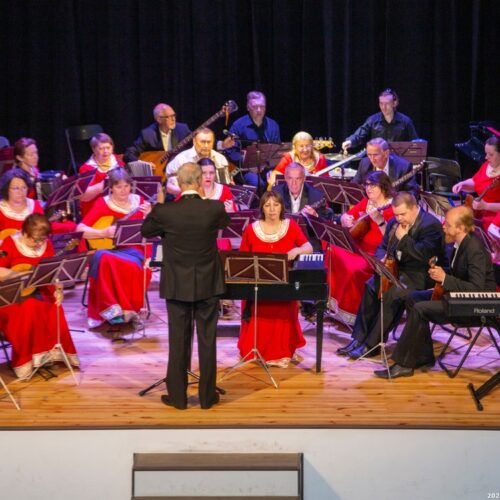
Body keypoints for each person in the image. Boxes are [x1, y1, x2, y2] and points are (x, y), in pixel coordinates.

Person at [141, 162, 230, 410]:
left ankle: (178, 398)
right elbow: (225, 222)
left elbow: (146, 230)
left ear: (179, 183)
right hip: (208, 283)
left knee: (178, 341)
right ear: (200, 181)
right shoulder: (214, 207)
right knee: (207, 341)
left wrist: (158, 206)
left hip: (177, 284)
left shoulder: (165, 212)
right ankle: (207, 397)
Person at [374, 206, 497, 378]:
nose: (443, 227)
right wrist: (441, 277)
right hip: (459, 297)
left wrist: (445, 279)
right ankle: (423, 357)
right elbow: (460, 276)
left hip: (477, 306)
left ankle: (404, 364)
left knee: (420, 309)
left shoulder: (474, 249)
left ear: (460, 228)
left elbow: (476, 290)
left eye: (448, 224)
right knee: (411, 298)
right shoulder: (458, 243)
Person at [337, 192, 444, 359]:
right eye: (396, 214)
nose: (399, 218)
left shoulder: (431, 225)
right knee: (371, 286)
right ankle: (359, 339)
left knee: (392, 295)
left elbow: (424, 256)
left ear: (414, 208)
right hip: (397, 269)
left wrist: (405, 239)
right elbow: (383, 245)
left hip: (420, 274)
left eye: (403, 214)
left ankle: (373, 344)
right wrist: (382, 258)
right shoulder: (394, 222)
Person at [238, 191, 313, 368]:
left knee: (282, 313)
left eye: (276, 205)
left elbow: (308, 247)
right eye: (267, 205)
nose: (272, 209)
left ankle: (281, 351)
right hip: (259, 284)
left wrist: (296, 250)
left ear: (281, 207)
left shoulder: (291, 225)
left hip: (283, 284)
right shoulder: (251, 229)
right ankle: (258, 350)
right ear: (262, 208)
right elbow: (242, 258)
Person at [0, 214, 80, 379]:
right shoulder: (10, 243)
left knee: (54, 307)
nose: (38, 244)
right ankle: (26, 359)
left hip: (38, 288)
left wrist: (59, 289)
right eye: (35, 240)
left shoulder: (46, 244)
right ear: (24, 232)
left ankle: (47, 356)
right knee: (30, 307)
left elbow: (53, 270)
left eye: (42, 239)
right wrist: (18, 275)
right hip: (12, 293)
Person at [76, 168, 152, 329]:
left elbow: (153, 230)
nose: (123, 190)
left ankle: (128, 310)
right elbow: (79, 229)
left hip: (135, 252)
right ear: (110, 187)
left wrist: (149, 215)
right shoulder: (102, 203)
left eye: (126, 186)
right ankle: (112, 312)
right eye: (118, 187)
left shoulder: (139, 202)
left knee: (113, 261)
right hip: (110, 250)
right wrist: (102, 233)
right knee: (103, 257)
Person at [329, 171, 395, 325]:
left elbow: (392, 239)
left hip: (378, 252)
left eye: (373, 185)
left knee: (353, 268)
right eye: (367, 185)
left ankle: (353, 312)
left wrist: (379, 221)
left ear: (383, 187)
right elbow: (347, 215)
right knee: (332, 248)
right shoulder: (367, 201)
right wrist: (345, 218)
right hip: (359, 245)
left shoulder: (392, 207)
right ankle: (335, 304)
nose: (368, 189)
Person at [222, 91, 281, 187]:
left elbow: (277, 152)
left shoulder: (273, 125)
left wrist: (272, 170)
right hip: (243, 169)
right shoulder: (238, 125)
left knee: (279, 181)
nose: (259, 110)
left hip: (266, 168)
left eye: (262, 106)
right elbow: (231, 152)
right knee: (257, 183)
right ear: (248, 108)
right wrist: (249, 165)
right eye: (255, 107)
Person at [272, 162, 331, 252]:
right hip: (282, 238)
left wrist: (315, 216)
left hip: (308, 240)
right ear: (285, 178)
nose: (294, 183)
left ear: (304, 178)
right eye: (290, 178)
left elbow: (326, 228)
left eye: (298, 178)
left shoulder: (317, 195)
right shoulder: (276, 192)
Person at [342, 88, 418, 152]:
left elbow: (415, 143)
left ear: (395, 103)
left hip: (399, 162)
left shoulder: (406, 121)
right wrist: (350, 141)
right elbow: (360, 134)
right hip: (378, 161)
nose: (383, 107)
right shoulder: (373, 120)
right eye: (381, 103)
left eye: (387, 103)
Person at [452, 136, 500, 231]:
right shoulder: (486, 165)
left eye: (491, 154)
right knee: (453, 222)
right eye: (486, 153)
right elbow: (476, 182)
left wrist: (486, 206)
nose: (486, 157)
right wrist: (463, 184)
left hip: (495, 219)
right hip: (479, 212)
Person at [166, 128, 230, 196]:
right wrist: (191, 192)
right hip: (188, 199)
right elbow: (170, 186)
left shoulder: (220, 159)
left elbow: (225, 184)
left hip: (216, 198)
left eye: (209, 142)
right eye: (202, 142)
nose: (206, 146)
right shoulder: (181, 159)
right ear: (194, 141)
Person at [123, 103, 191, 163]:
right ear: (159, 119)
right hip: (158, 170)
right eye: (169, 117)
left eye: (174, 115)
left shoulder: (182, 129)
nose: (173, 119)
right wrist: (140, 163)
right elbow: (129, 153)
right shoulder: (148, 134)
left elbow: (193, 146)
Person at [351, 138, 419, 196]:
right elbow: (353, 187)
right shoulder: (364, 163)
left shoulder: (404, 166)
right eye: (369, 155)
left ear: (386, 153)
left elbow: (412, 193)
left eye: (375, 155)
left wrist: (396, 200)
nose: (372, 159)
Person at [79, 133, 125, 218]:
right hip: (95, 210)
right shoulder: (86, 169)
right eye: (101, 148)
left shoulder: (118, 162)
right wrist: (103, 185)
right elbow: (84, 197)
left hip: (118, 207)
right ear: (93, 149)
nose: (106, 151)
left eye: (108, 147)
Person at [0, 170, 44, 242]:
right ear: (6, 189)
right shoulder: (1, 209)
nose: (21, 192)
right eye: (16, 188)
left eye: (24, 187)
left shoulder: (35, 205)